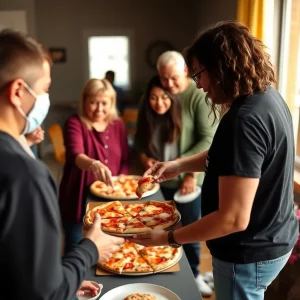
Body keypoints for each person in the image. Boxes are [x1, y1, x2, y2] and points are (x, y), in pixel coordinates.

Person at [130, 21, 299, 300]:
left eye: (198, 75)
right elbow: (234, 158)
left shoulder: (244, 121)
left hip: (247, 252)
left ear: (220, 67)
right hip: (274, 237)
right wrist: (179, 165)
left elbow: (232, 219)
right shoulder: (267, 96)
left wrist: (168, 238)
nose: (199, 85)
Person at [0, 29, 124, 300]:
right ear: (18, 91)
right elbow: (47, 292)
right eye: (45, 89)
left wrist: (66, 276)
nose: (47, 98)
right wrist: (90, 248)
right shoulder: (27, 176)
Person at [154, 50, 216, 296]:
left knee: (190, 225)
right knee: (166, 224)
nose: (168, 84)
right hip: (164, 175)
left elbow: (208, 139)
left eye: (173, 78)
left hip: (189, 178)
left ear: (186, 73)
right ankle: (171, 274)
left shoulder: (197, 95)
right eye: (163, 78)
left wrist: (189, 173)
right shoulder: (160, 94)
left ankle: (195, 274)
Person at [59, 78, 130, 253]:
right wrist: (93, 164)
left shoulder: (118, 124)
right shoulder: (74, 122)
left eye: (104, 103)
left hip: (109, 200)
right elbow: (76, 155)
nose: (99, 108)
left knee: (109, 251)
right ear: (84, 102)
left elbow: (125, 159)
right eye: (93, 102)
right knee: (74, 248)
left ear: (112, 103)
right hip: (78, 196)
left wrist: (121, 178)